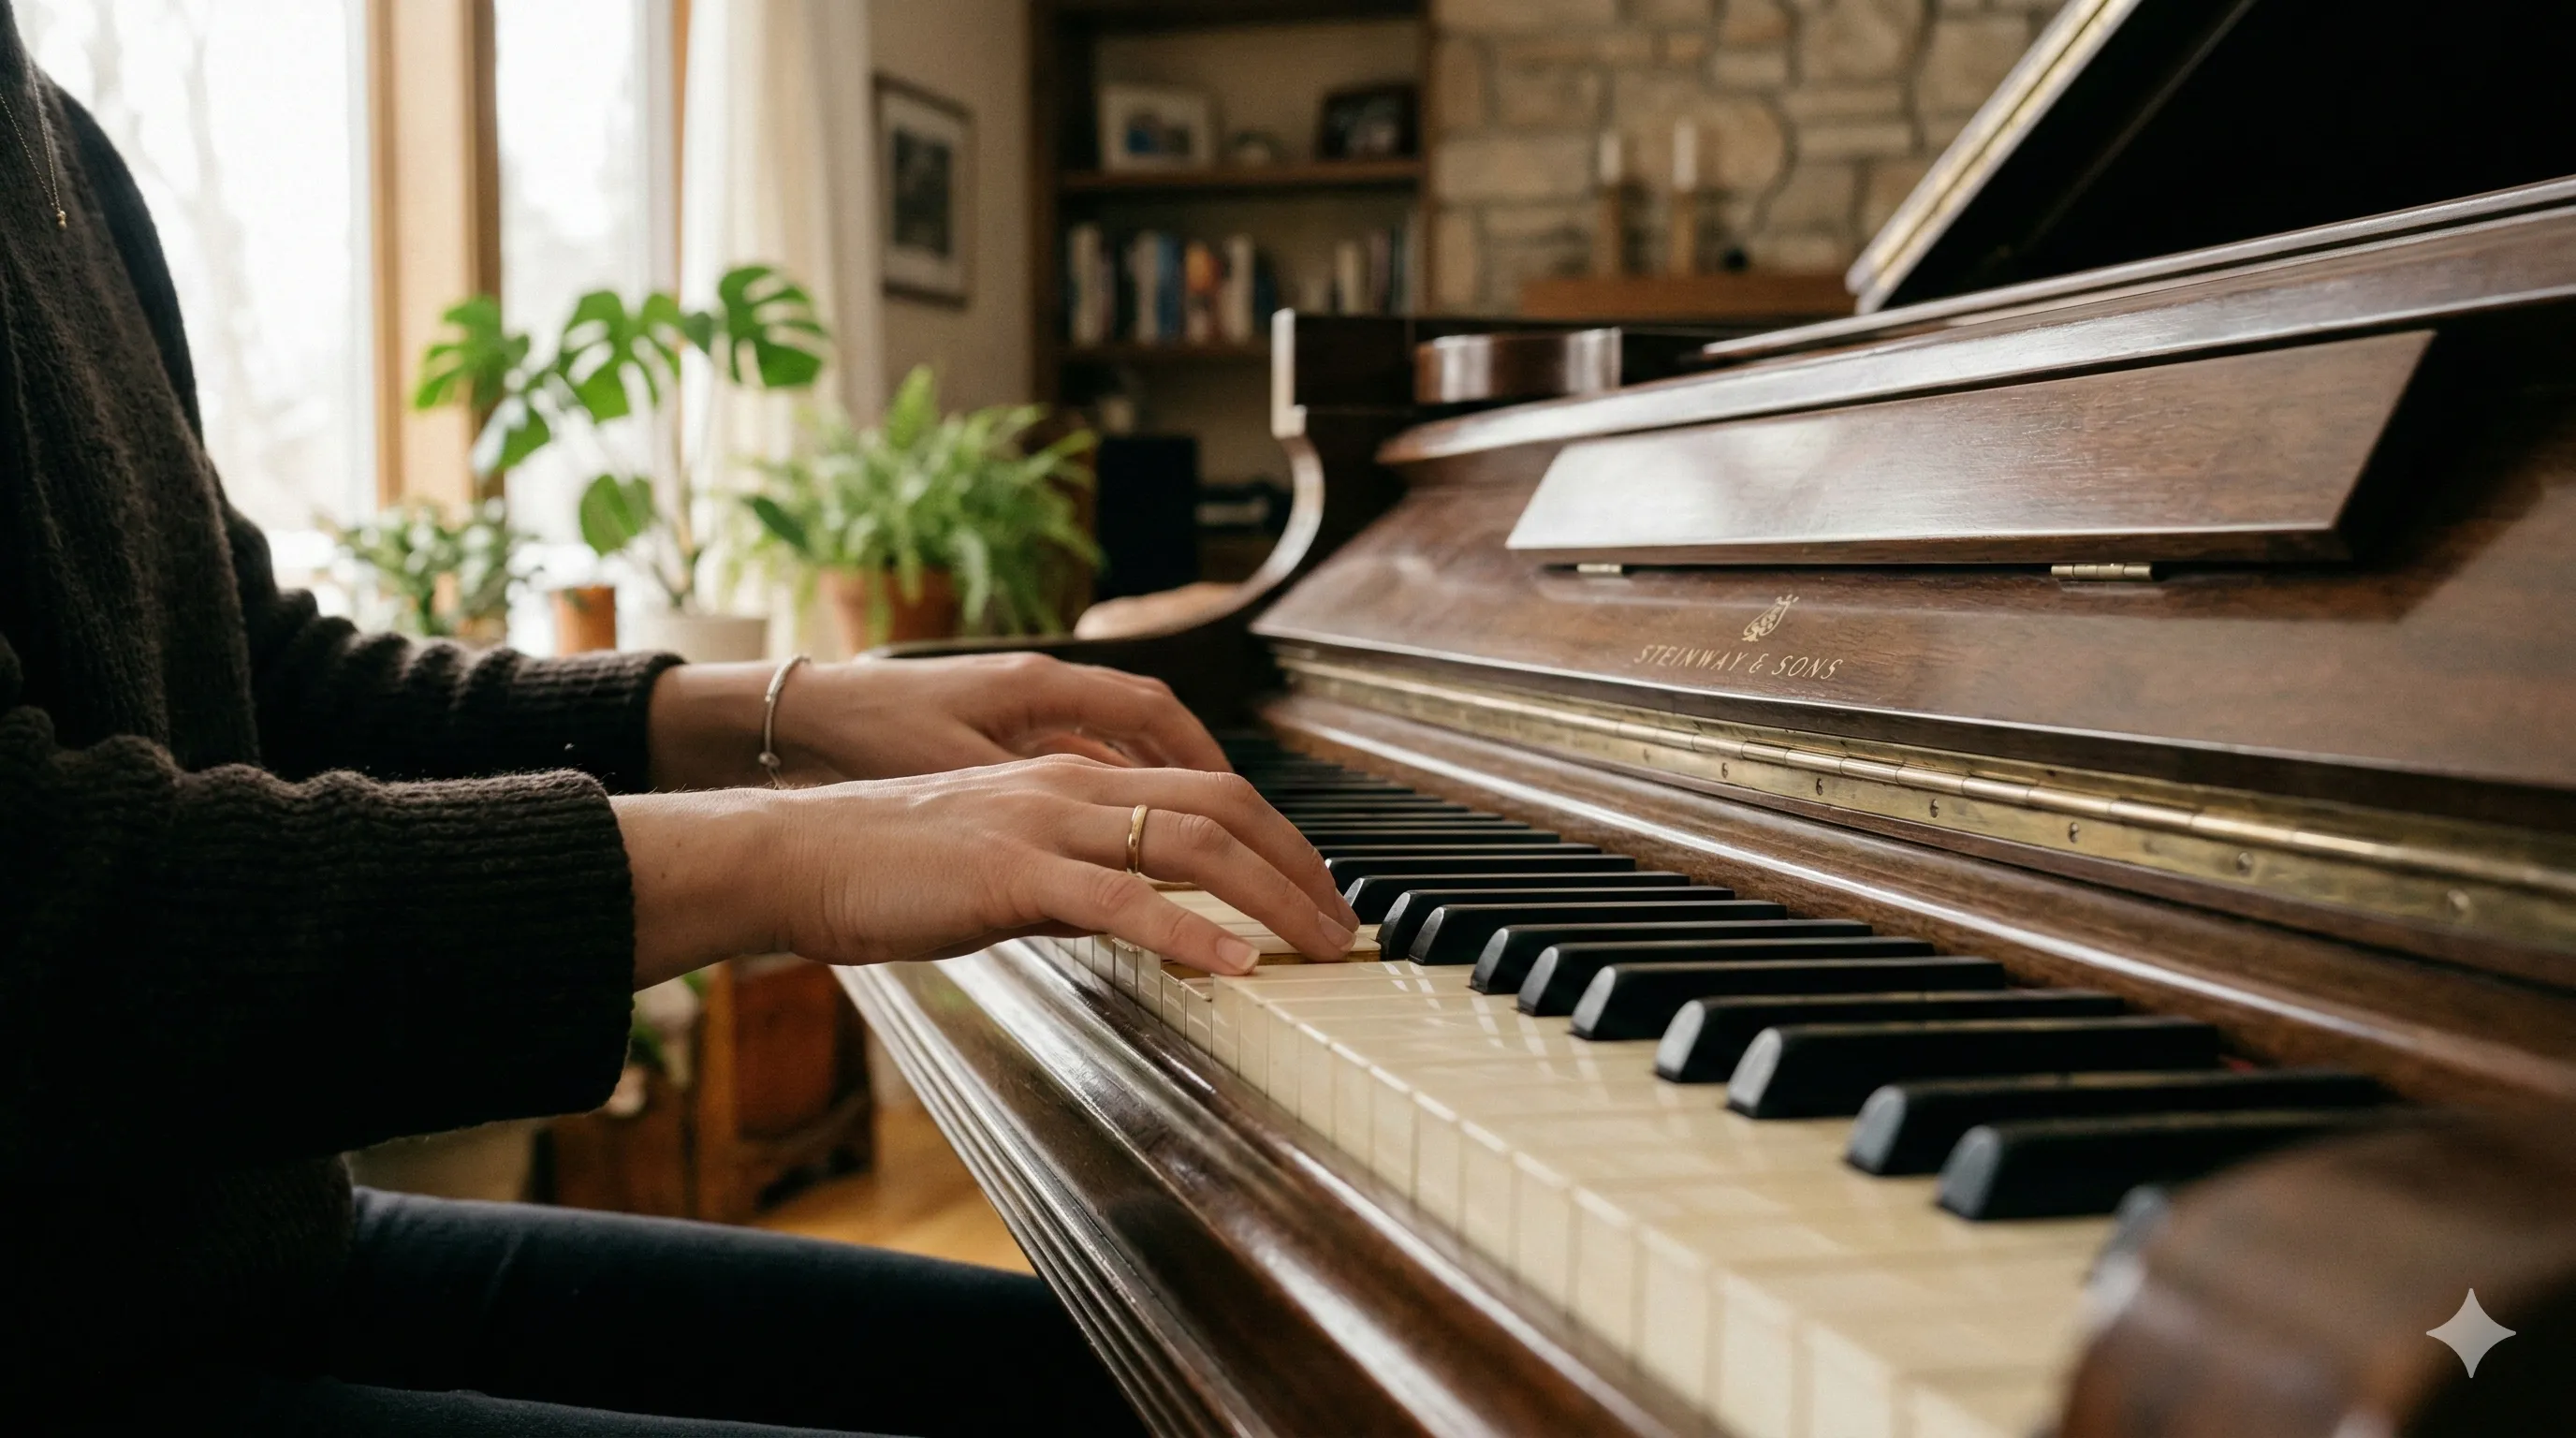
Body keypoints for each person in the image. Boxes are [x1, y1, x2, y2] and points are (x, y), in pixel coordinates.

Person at [0, 19, 1358, 1436]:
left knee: (1205, 1397)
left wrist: (789, 712)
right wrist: (795, 854)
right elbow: (38, 917)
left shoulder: (57, 137)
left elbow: (264, 689)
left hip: (249, 1262)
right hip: (59, 1358)